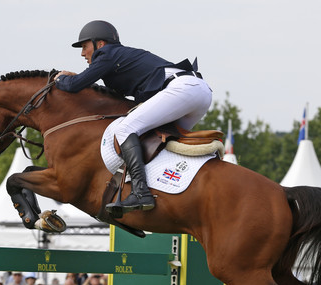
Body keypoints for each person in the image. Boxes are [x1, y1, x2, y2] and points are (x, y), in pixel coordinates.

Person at [54, 20, 212, 215]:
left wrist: (60, 78)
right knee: (162, 141)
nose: (82, 53)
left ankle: (140, 192)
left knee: (124, 129)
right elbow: (104, 92)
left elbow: (73, 85)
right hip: (198, 92)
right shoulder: (117, 58)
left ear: (100, 44)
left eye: (85, 46)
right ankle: (173, 190)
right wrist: (77, 79)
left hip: (182, 90)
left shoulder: (106, 54)